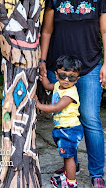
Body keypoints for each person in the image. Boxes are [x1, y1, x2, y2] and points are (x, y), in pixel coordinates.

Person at [39, 0, 106, 188]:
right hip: (60, 70)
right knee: (64, 119)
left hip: (90, 67)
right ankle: (71, 164)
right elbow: (46, 32)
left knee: (90, 119)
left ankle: (97, 174)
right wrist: (42, 61)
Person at [36, 55, 84, 188]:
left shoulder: (70, 93)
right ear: (56, 75)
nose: (66, 80)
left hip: (70, 129)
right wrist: (43, 76)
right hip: (64, 128)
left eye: (72, 77)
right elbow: (48, 86)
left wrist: (38, 105)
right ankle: (68, 175)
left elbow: (56, 107)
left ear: (77, 79)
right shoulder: (58, 85)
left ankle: (71, 182)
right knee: (67, 155)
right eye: (63, 75)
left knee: (68, 157)